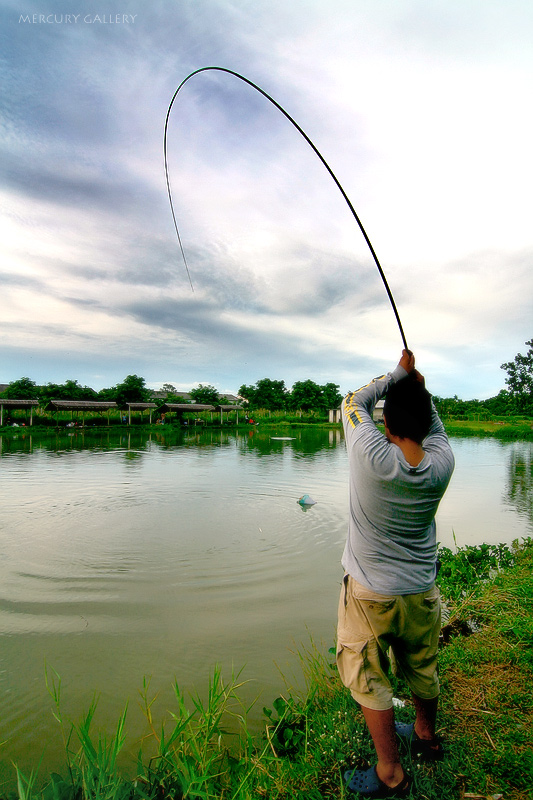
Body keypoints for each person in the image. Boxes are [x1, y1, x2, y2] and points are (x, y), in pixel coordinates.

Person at [337, 349, 455, 798]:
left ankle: (390, 772)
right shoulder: (442, 463)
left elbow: (353, 401)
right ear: (427, 424)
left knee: (368, 676)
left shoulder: (370, 455)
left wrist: (398, 374)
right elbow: (431, 425)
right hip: (421, 590)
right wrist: (420, 388)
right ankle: (425, 733)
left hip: (369, 595)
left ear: (386, 425)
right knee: (422, 665)